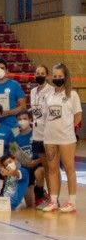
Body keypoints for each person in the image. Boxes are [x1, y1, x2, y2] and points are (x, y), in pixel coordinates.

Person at [40, 63, 80, 212]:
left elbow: (78, 116)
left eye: (60, 76)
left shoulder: (72, 95)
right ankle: (53, 201)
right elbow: (45, 117)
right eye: (55, 76)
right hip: (50, 138)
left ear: (65, 77)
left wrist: (69, 129)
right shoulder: (48, 95)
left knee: (69, 168)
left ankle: (72, 202)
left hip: (66, 139)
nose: (57, 78)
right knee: (52, 169)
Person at [28, 65, 53, 208]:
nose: (40, 75)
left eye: (43, 73)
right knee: (44, 168)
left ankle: (53, 198)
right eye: (38, 73)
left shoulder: (51, 91)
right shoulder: (32, 91)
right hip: (37, 135)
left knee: (51, 169)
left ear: (47, 76)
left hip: (49, 135)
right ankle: (46, 196)